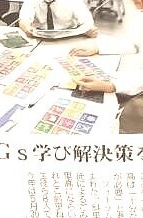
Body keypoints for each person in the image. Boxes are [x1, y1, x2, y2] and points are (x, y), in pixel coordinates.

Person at [70, 0, 143, 131]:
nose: (135, 2)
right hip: (131, 81)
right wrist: (97, 48)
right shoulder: (140, 16)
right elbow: (131, 43)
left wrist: (111, 85)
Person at [16, 0, 97, 35]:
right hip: (40, 36)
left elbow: (87, 21)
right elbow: (24, 19)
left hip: (69, 35)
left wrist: (89, 30)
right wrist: (26, 28)